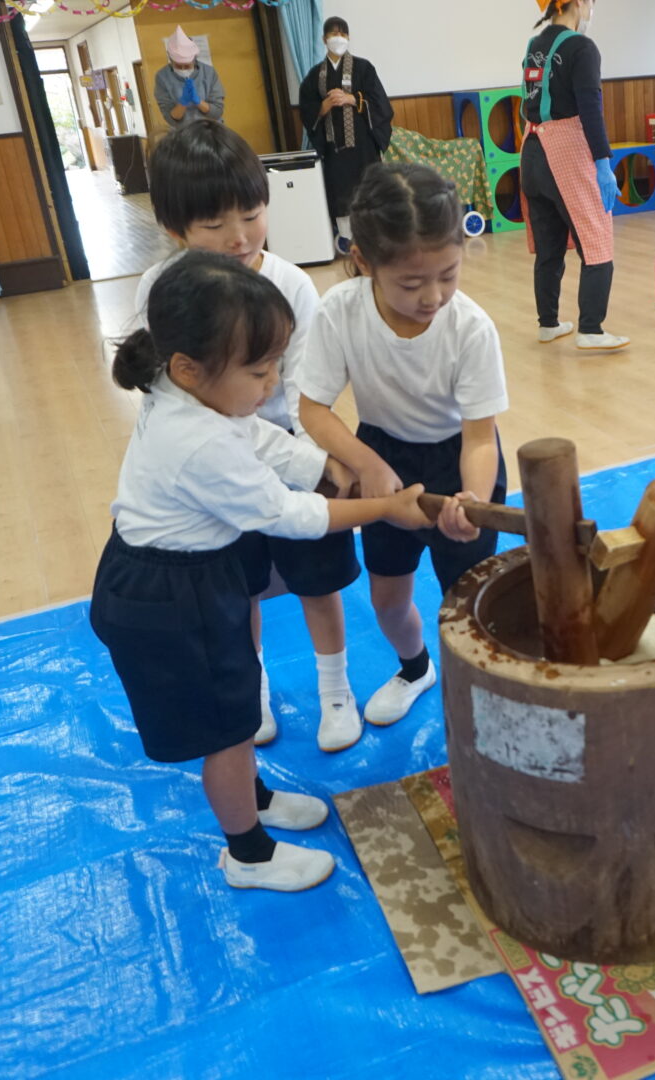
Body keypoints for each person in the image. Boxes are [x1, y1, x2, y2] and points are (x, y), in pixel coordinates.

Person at [91, 251, 431, 892]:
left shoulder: (186, 392)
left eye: (275, 363)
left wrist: (321, 464)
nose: (272, 383)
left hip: (182, 577)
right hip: (167, 598)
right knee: (229, 726)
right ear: (190, 368)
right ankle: (247, 853)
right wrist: (384, 506)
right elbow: (289, 517)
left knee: (238, 703)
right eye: (258, 370)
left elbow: (257, 435)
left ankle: (256, 797)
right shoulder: (196, 442)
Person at [133, 120, 367, 754]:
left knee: (318, 583)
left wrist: (315, 463)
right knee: (241, 590)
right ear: (175, 227)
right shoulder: (161, 292)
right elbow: (175, 402)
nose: (238, 237)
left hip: (287, 455)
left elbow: (302, 395)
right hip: (221, 474)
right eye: (214, 225)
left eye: (252, 213)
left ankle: (336, 689)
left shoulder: (289, 285)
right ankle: (255, 687)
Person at [299, 163, 508, 729]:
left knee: (472, 605)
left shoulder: (470, 329)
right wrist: (367, 463)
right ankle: (416, 669)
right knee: (389, 600)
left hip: (459, 460)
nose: (433, 296)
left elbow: (480, 438)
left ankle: (487, 698)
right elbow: (312, 408)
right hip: (383, 454)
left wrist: (471, 497)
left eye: (448, 274)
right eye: (411, 284)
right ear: (364, 260)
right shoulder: (340, 310)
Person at [521, 0, 629, 352]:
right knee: (597, 241)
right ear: (579, 3)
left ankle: (548, 324)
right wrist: (603, 162)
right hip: (566, 151)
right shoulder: (581, 47)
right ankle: (591, 328)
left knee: (549, 246)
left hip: (532, 150)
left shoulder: (534, 44)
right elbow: (590, 108)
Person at [299, 17, 394, 244]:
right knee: (340, 192)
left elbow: (380, 102)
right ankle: (346, 239)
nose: (337, 38)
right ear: (324, 39)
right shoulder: (315, 75)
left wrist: (352, 98)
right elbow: (307, 107)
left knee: (369, 190)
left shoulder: (364, 68)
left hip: (363, 146)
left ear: (348, 37)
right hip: (335, 148)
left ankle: (374, 237)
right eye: (332, 34)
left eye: (342, 34)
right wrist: (323, 107)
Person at [153, 27, 225, 131]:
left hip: (212, 131)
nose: (182, 69)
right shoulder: (162, 77)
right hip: (183, 133)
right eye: (178, 65)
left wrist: (198, 101)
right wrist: (183, 102)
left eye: (186, 66)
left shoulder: (209, 73)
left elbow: (217, 112)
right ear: (170, 58)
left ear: (194, 59)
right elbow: (171, 119)